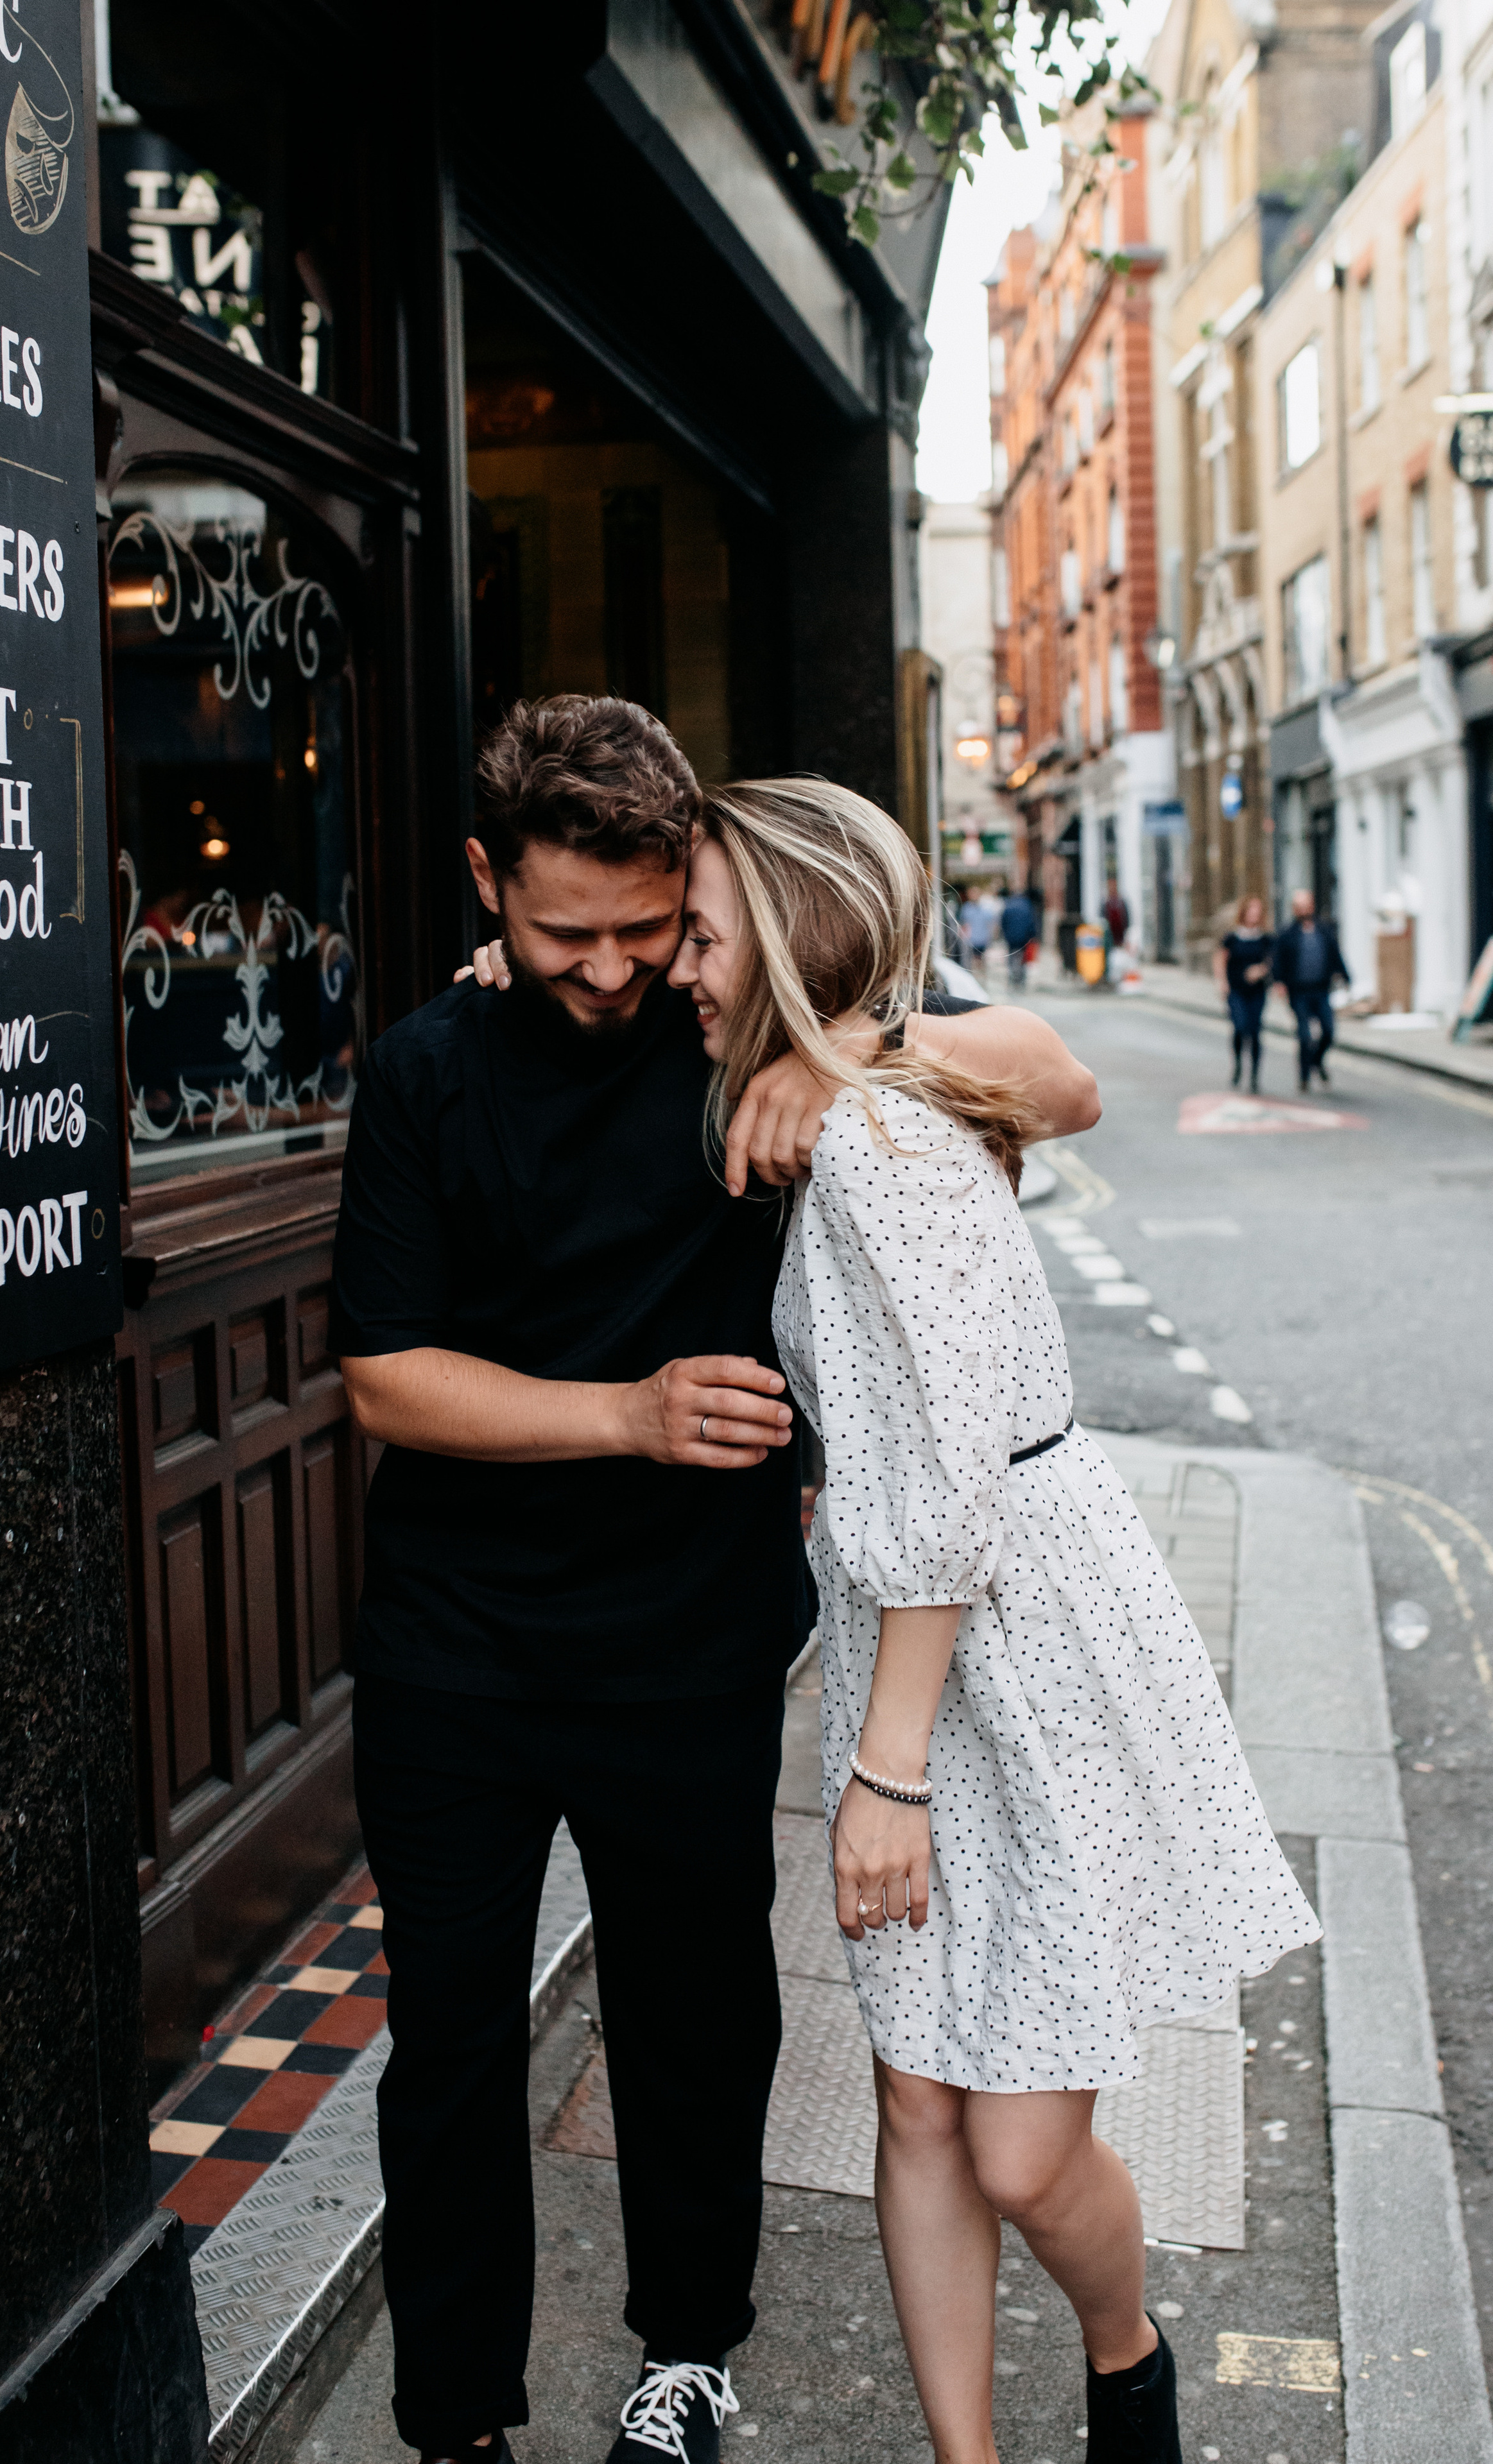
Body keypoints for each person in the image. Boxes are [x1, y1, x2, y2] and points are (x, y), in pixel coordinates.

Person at [329, 696, 1100, 2464]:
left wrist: (847, 1051)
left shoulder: (741, 1041)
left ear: (699, 889)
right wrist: (631, 1412)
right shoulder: (425, 1069)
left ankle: (689, 2358)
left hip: (686, 1646)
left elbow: (1063, 1079)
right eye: (558, 935)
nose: (606, 972)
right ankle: (456, 2420)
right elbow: (386, 1378)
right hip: (453, 1648)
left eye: (643, 928)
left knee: (697, 2019)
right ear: (484, 887)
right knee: (448, 2044)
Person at [669, 778, 1318, 2464]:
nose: (679, 963)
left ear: (791, 940)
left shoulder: (874, 1138)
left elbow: (950, 1478)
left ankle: (1128, 2363)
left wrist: (883, 1776)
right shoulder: (843, 1111)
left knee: (1022, 2145)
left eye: (702, 932)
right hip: (925, 1645)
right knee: (912, 2093)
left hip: (1002, 1650)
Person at [1272, 888, 1349, 1090]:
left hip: (1321, 990)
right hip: (1298, 992)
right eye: (1300, 906)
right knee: (1305, 1035)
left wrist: (1345, 976)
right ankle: (1304, 1076)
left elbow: (1335, 954)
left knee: (1329, 1031)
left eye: (1307, 904)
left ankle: (1316, 1061)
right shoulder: (1287, 933)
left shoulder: (1324, 930)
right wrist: (1279, 982)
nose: (1304, 909)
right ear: (1295, 909)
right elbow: (1278, 960)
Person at [1213, 893, 1272, 1090]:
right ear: (1244, 913)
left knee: (1255, 1031)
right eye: (1251, 911)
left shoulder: (1265, 939)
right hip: (1236, 990)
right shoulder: (1232, 938)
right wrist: (1222, 982)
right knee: (1240, 1027)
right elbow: (1220, 959)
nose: (1254, 915)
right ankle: (1238, 1064)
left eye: (1258, 912)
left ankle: (1255, 1075)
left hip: (1256, 992)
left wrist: (1260, 970)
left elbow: (1273, 962)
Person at [999, 885, 1035, 988]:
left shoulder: (1008, 905)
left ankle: (1012, 976)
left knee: (1011, 955)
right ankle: (1021, 979)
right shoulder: (1026, 905)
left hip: (1010, 937)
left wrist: (1005, 934)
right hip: (1024, 937)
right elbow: (1031, 922)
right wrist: (1032, 935)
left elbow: (1003, 922)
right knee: (1022, 957)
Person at [1101, 877, 1130, 950]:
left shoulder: (1122, 903)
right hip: (1109, 937)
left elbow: (1126, 919)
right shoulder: (1105, 903)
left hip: (1121, 937)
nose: (1112, 888)